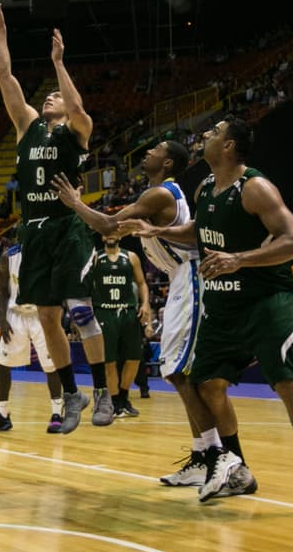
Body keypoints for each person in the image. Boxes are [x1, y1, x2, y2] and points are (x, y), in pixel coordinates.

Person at [127, 118, 293, 517]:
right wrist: (157, 231)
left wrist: (238, 259)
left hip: (267, 301)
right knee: (207, 384)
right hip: (224, 304)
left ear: (229, 146)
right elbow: (199, 231)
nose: (205, 135)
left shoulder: (255, 188)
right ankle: (239, 470)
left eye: (215, 132)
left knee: (286, 385)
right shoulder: (206, 187)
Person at [55, 140, 232, 490]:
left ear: (167, 163)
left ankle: (216, 456)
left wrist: (75, 203)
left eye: (157, 149)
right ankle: (202, 456)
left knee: (181, 373)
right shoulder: (156, 196)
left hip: (190, 277)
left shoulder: (160, 194)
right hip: (179, 279)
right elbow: (115, 227)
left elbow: (107, 225)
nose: (148, 151)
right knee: (180, 374)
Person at [0, 0, 106, 432]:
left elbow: (78, 108)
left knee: (80, 310)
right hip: (33, 231)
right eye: (48, 95)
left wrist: (58, 63)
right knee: (49, 315)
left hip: (67, 225)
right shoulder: (27, 126)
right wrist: (0, 32)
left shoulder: (76, 131)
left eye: (56, 95)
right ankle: (71, 395)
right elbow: (4, 76)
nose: (50, 97)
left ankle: (103, 392)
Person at [0, 244, 65, 433]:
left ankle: (57, 414)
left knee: (51, 365)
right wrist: (2, 320)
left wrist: (56, 315)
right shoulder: (8, 256)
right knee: (3, 364)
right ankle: (2, 415)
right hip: (15, 314)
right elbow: (3, 290)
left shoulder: (48, 253)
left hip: (41, 312)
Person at [87, 235, 152, 421]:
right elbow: (86, 286)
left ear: (119, 235)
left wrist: (145, 304)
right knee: (109, 361)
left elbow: (141, 283)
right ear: (102, 236)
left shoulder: (131, 257)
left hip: (128, 312)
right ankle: (114, 402)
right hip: (104, 312)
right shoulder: (95, 258)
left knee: (134, 359)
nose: (110, 236)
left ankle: (124, 398)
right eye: (107, 233)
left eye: (113, 232)